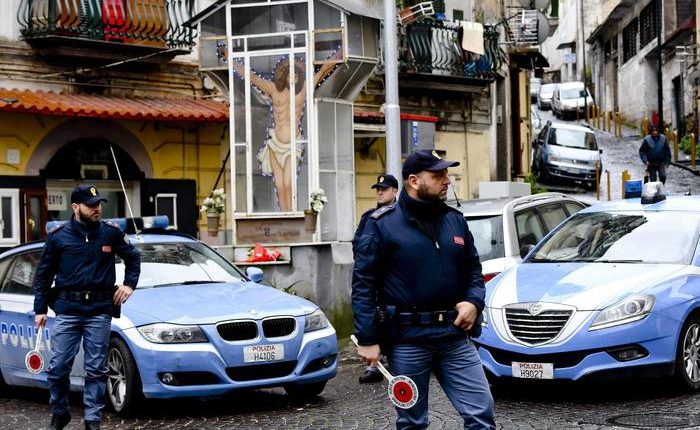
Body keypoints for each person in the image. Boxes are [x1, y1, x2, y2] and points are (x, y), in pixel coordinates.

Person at [352, 150, 494, 429]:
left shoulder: (455, 220)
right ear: (414, 181)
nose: (447, 181)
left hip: (454, 337)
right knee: (413, 423)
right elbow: (363, 284)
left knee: (481, 414)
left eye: (447, 174)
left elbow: (474, 271)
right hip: (408, 341)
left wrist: (474, 302)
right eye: (438, 175)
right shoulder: (381, 224)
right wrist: (368, 338)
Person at [33, 184, 140, 430]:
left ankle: (93, 420)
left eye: (99, 204)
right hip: (68, 310)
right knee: (58, 368)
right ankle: (60, 412)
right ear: (75, 207)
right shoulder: (58, 236)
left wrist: (129, 285)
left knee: (96, 369)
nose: (97, 209)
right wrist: (40, 309)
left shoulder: (110, 233)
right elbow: (43, 276)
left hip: (99, 311)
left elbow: (133, 257)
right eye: (91, 206)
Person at [231, 55, 339, 211]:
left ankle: (292, 214)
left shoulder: (303, 90)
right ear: (284, 76)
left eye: (296, 76)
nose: (293, 78)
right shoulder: (273, 89)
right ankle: (285, 216)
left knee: (289, 183)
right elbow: (252, 77)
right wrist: (231, 59)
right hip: (275, 143)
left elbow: (322, 71)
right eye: (290, 75)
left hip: (293, 144)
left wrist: (337, 56)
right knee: (280, 185)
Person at [352, 173, 399, 384]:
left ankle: (393, 358)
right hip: (373, 277)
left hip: (392, 280)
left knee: (390, 317)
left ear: (395, 191)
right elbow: (358, 243)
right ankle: (374, 365)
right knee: (373, 316)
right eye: (378, 189)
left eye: (385, 189)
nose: (380, 192)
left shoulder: (400, 216)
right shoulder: (369, 216)